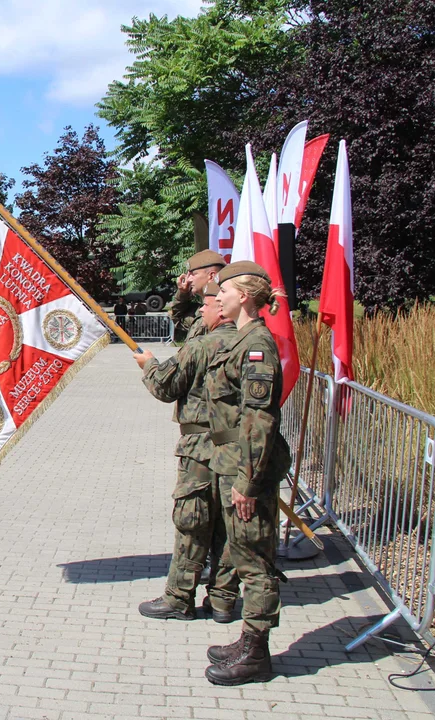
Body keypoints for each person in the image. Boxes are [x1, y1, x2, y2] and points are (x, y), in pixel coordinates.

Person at [202, 261, 292, 686]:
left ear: (247, 296)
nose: (218, 296)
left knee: (255, 563)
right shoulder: (241, 340)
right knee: (242, 556)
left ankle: (257, 654)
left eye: (225, 290)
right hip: (231, 463)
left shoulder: (257, 345)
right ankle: (248, 639)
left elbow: (260, 421)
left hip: (246, 470)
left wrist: (247, 483)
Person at [133, 282, 239, 623]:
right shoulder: (253, 340)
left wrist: (148, 365)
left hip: (201, 447)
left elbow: (166, 386)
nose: (202, 312)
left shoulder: (202, 346)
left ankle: (179, 597)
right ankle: (223, 600)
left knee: (192, 521)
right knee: (227, 524)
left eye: (207, 306)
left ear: (220, 308)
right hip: (237, 447)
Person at [170, 250, 227, 343]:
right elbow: (178, 318)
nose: (188, 279)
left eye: (193, 274)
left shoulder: (225, 310)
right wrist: (183, 293)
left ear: (211, 276)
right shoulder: (201, 311)